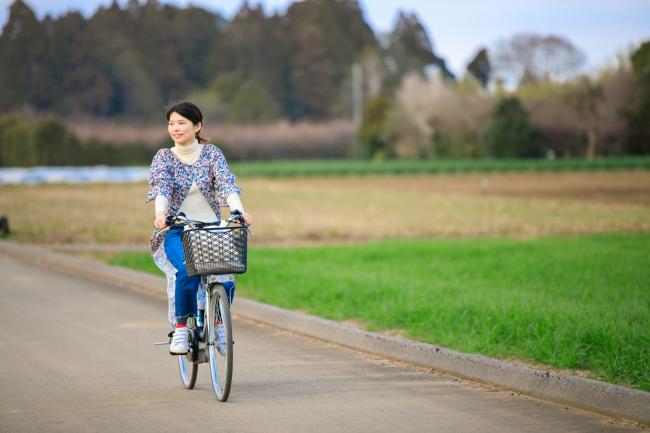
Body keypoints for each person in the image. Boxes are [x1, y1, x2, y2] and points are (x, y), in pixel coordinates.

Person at [146, 101, 252, 355]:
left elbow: (226, 183)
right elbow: (162, 188)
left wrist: (239, 210)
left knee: (225, 275)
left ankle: (219, 324)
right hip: (177, 230)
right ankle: (182, 328)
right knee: (186, 270)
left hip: (212, 229)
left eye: (182, 122)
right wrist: (161, 214)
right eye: (172, 123)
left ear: (197, 125)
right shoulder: (164, 157)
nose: (176, 128)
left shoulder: (212, 154)